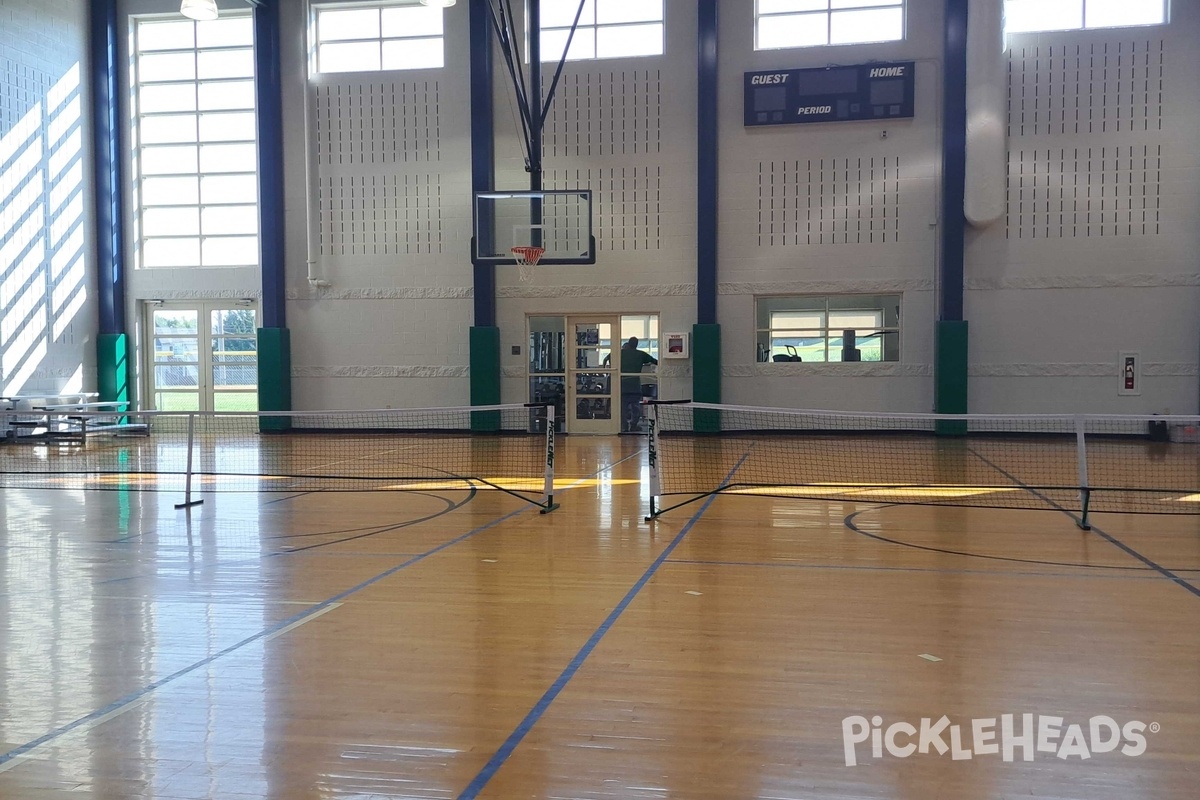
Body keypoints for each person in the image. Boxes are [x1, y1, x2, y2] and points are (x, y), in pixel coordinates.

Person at [619, 336, 657, 433]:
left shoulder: (619, 353)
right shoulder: (641, 354)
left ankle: (624, 426)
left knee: (622, 407)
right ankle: (633, 425)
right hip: (634, 384)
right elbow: (655, 361)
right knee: (635, 406)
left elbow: (606, 359)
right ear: (637, 344)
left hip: (622, 384)